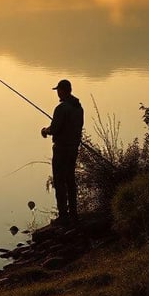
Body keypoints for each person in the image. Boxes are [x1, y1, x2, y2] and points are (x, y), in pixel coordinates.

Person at [41, 79, 84, 225]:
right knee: (70, 180)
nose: (57, 93)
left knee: (59, 182)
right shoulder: (79, 108)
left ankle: (63, 216)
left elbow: (54, 129)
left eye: (58, 90)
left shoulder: (62, 108)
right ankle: (73, 213)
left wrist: (45, 131)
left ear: (63, 91)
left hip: (61, 150)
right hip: (73, 149)